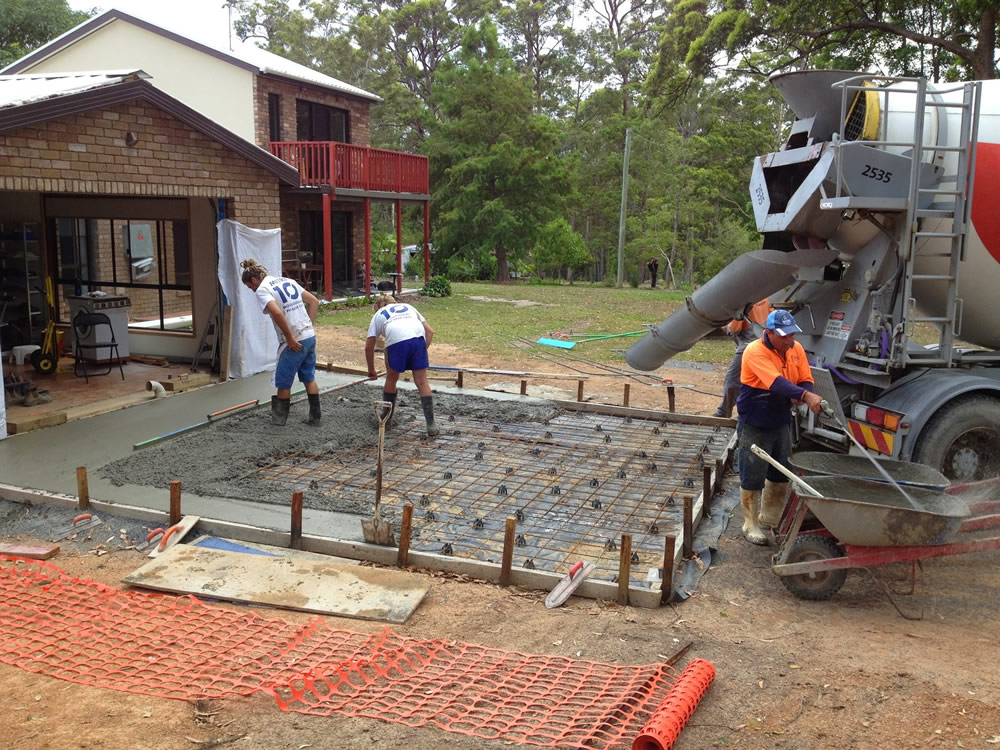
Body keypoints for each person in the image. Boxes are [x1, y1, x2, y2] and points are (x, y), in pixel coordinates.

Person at [736, 309, 823, 544]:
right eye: (784, 336)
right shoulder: (755, 352)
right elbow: (776, 383)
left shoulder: (796, 349)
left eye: (792, 335)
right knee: (752, 471)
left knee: (781, 470)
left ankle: (770, 518)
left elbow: (806, 377)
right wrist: (804, 395)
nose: (789, 340)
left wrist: (804, 391)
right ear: (769, 333)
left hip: (780, 418)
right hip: (756, 417)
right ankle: (750, 523)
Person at [240, 258, 321, 427]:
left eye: (250, 286)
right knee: (308, 376)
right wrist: (308, 326)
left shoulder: (263, 289)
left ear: (254, 280)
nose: (252, 290)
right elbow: (314, 301)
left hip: (293, 341)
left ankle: (278, 422)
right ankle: (315, 417)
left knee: (284, 380)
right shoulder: (287, 281)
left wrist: (290, 337)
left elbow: (277, 313)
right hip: (308, 336)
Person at [365, 296, 439, 436]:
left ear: (378, 307)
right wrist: (421, 351)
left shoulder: (378, 314)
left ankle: (386, 421)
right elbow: (430, 332)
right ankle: (431, 425)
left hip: (397, 341)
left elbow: (369, 346)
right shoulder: (409, 307)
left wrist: (371, 370)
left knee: (392, 379)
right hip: (418, 339)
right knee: (422, 382)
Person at [713, 299, 773, 418]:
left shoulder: (744, 299)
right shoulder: (765, 297)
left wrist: (721, 324)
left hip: (749, 345)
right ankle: (749, 411)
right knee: (755, 380)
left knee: (732, 379)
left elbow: (734, 329)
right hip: (764, 342)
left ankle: (723, 412)